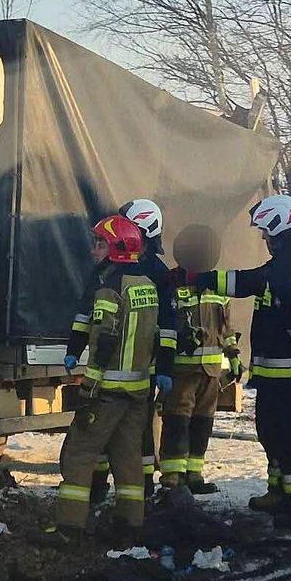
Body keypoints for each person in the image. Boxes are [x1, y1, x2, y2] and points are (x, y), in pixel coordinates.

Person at [188, 195, 291, 530]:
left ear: (278, 229)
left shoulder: (286, 269)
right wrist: (200, 279)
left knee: (281, 434)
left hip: (283, 370)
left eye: (265, 234)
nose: (264, 240)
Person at [46, 215, 174, 544]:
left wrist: (89, 383)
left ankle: (68, 527)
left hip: (109, 389)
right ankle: (130, 524)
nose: (94, 250)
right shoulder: (147, 284)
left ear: (117, 248)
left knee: (80, 451)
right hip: (138, 390)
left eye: (100, 243)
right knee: (128, 455)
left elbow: (105, 339)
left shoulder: (109, 287)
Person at [89, 199, 178, 505]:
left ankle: (136, 488)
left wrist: (164, 367)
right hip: (127, 365)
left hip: (140, 366)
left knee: (130, 430)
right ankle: (121, 486)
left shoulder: (155, 272)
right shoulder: (118, 265)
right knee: (122, 429)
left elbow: (168, 326)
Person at [160, 224, 241, 495]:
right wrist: (182, 339)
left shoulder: (217, 286)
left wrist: (234, 355)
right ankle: (172, 477)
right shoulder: (172, 284)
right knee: (177, 422)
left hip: (211, 371)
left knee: (203, 423)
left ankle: (194, 474)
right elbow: (164, 324)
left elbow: (226, 329)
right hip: (181, 370)